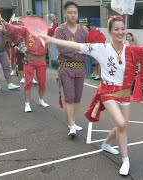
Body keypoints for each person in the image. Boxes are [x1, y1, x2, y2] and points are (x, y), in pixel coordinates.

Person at [40, 16, 143, 176]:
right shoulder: (101, 48)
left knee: (121, 126)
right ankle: (125, 160)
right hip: (107, 92)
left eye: (123, 29)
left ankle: (106, 144)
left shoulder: (130, 50)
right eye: (116, 29)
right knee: (122, 124)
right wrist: (51, 39)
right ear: (110, 32)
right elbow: (76, 45)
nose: (120, 32)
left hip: (124, 94)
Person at [2, 14, 58, 112]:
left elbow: (54, 29)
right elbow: (14, 28)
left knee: (42, 82)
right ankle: (27, 103)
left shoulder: (45, 30)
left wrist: (54, 21)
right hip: (30, 60)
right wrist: (5, 23)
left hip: (41, 61)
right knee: (28, 83)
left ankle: (41, 100)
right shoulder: (25, 29)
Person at [55, 1, 87, 137]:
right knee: (69, 96)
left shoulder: (83, 30)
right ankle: (71, 125)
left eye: (75, 13)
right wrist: (78, 49)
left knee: (77, 97)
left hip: (80, 67)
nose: (73, 15)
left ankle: (72, 121)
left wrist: (82, 49)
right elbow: (61, 48)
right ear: (65, 13)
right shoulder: (60, 30)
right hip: (66, 67)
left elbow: (88, 47)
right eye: (70, 13)